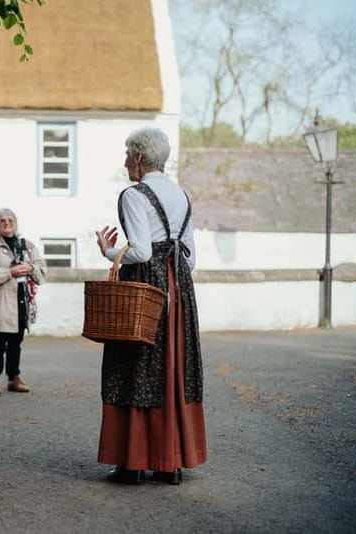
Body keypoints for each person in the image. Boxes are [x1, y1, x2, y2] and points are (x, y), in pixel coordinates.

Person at [95, 127, 207, 485]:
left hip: (145, 286)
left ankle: (132, 463)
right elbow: (189, 255)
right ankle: (169, 461)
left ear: (139, 158)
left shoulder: (134, 194)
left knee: (135, 365)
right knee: (174, 367)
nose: (126, 162)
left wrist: (109, 252)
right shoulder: (181, 195)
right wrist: (173, 280)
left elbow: (141, 251)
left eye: (128, 155)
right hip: (179, 289)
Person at [0, 208, 46, 395]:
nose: (6, 223)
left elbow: (41, 268)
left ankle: (13, 377)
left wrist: (30, 267)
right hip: (0, 301)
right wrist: (10, 272)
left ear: (16, 223)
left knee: (16, 343)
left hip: (21, 300)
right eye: (2, 220)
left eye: (10, 220)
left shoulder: (26, 245)